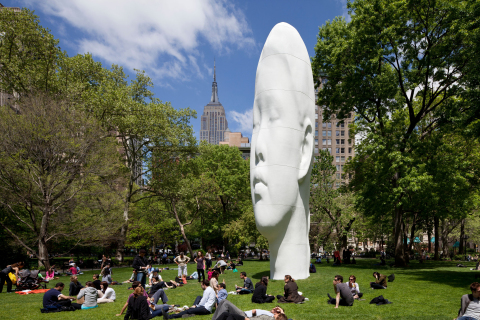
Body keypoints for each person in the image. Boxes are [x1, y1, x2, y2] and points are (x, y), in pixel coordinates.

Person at [212, 300, 288, 320]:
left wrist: (281, 311)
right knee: (223, 301)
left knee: (225, 303)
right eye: (274, 308)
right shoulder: (269, 313)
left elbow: (283, 318)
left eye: (276, 311)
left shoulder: (271, 317)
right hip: (245, 315)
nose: (274, 310)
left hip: (244, 315)